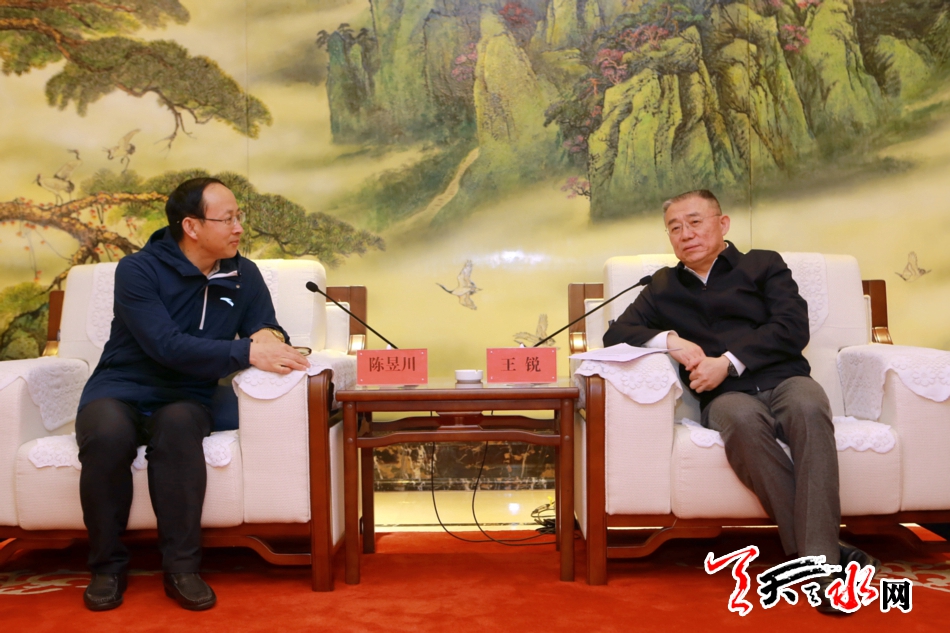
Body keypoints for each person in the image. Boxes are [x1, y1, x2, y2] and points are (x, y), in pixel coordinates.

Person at [603, 189, 879, 615]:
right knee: (743, 422)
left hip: (785, 379)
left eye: (695, 222)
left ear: (723, 223)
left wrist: (727, 363)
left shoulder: (763, 264)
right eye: (674, 227)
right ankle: (826, 560)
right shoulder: (661, 285)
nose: (685, 234)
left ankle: (817, 563)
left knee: (809, 409)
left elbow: (792, 327)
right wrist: (670, 340)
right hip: (725, 398)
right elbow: (615, 335)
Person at [76, 177, 310, 612]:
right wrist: (247, 350)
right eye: (227, 219)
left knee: (180, 428)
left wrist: (267, 336)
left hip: (186, 393)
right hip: (122, 385)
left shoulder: (242, 273)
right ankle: (107, 568)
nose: (238, 227)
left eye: (239, 216)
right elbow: (165, 345)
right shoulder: (138, 270)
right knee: (106, 434)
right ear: (191, 226)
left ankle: (181, 569)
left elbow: (264, 325)